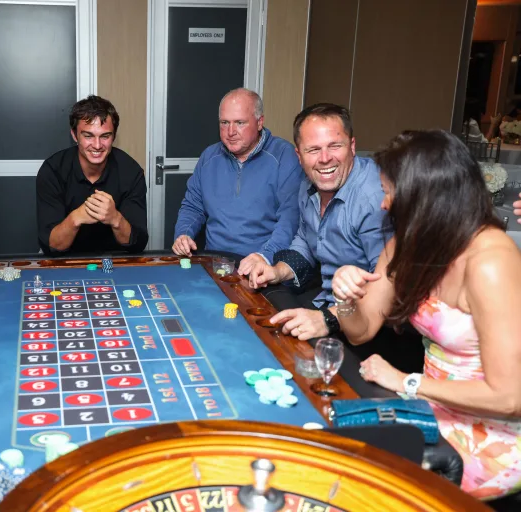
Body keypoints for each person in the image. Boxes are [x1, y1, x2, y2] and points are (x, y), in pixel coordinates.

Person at [332, 130, 521, 500]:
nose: (384, 204)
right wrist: (344, 299)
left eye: (389, 192)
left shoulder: (490, 261)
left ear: (424, 197)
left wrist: (406, 382)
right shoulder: (409, 244)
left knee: (369, 492)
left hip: (493, 435)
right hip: (428, 410)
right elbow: (361, 330)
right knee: (339, 462)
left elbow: (510, 397)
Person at [238, 104, 388, 341]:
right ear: (299, 156)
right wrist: (277, 271)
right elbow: (307, 242)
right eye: (313, 150)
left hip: (373, 324)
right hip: (328, 300)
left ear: (352, 146)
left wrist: (327, 319)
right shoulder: (308, 185)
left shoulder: (375, 199)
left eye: (335, 146)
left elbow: (386, 289)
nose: (324, 159)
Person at [172, 88, 302, 269]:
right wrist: (183, 235)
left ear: (259, 122)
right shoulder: (209, 156)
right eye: (224, 122)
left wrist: (265, 257)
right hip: (215, 263)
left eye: (240, 123)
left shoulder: (284, 156)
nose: (230, 131)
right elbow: (193, 207)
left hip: (264, 265)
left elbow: (290, 220)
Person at [36, 95, 148, 254]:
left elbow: (138, 244)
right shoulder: (53, 171)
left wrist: (115, 218)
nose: (97, 145)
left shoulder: (130, 171)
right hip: (63, 258)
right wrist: (75, 218)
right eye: (88, 136)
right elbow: (51, 246)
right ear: (75, 136)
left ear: (113, 137)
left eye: (105, 136)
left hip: (115, 258)